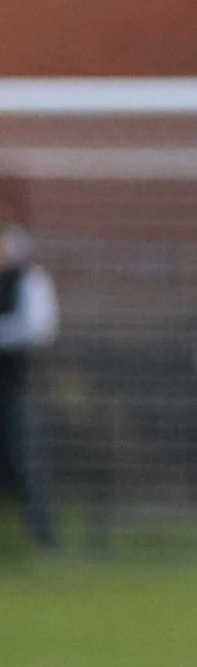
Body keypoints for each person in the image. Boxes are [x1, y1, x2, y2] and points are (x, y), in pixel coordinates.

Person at [0, 223, 60, 551]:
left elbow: (38, 329)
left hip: (13, 388)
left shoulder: (30, 280)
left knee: (25, 461)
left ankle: (43, 538)